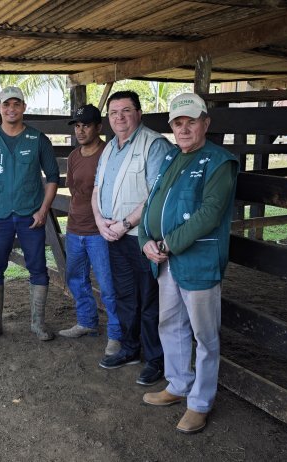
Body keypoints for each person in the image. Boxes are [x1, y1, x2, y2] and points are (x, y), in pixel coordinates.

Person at [138, 93, 238, 434]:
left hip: (197, 261)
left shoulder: (219, 162)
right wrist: (144, 240)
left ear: (205, 124)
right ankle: (178, 384)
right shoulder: (171, 159)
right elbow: (152, 202)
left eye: (190, 122)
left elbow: (210, 214)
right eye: (178, 123)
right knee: (170, 324)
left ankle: (200, 402)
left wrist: (168, 244)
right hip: (165, 260)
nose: (183, 129)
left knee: (205, 336)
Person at [0, 86, 60, 342]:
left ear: (23, 108)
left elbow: (53, 177)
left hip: (30, 216)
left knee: (38, 268)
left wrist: (43, 211)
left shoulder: (37, 139)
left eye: (16, 104)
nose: (11, 109)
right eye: (6, 104)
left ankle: (38, 323)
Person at [92, 90, 169, 386]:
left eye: (125, 111)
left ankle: (155, 359)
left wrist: (124, 224)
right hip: (114, 236)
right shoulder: (111, 147)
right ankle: (130, 348)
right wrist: (100, 221)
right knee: (126, 296)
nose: (119, 117)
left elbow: (156, 195)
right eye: (114, 113)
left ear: (138, 113)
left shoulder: (154, 144)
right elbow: (97, 189)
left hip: (141, 237)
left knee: (150, 300)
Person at [58, 104, 122, 356]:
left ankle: (116, 334)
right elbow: (73, 189)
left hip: (100, 231)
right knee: (75, 278)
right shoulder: (74, 156)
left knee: (108, 284)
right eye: (77, 125)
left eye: (86, 125)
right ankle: (86, 322)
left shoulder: (110, 153)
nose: (80, 130)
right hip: (75, 228)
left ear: (98, 127)